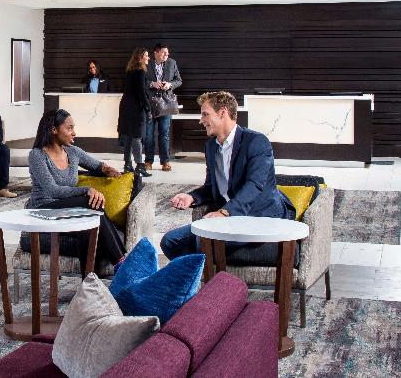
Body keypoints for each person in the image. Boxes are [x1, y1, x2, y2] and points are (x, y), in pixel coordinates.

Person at [160, 91, 296, 260]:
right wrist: (191, 197)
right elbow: (211, 187)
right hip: (230, 219)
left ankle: (208, 275)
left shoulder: (256, 142)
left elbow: (254, 186)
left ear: (222, 112)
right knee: (170, 241)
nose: (201, 120)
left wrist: (225, 212)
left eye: (205, 114)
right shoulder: (211, 146)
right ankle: (196, 275)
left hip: (260, 215)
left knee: (204, 242)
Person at [28, 108, 127, 277]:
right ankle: (122, 261)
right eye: (69, 128)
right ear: (54, 130)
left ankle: (89, 284)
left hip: (66, 210)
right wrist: (87, 190)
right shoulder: (37, 155)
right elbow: (52, 190)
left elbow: (97, 165)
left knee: (89, 229)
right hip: (43, 208)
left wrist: (106, 169)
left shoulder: (73, 152)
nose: (74, 133)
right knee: (88, 202)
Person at [143, 43, 182, 172]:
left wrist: (169, 85)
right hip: (149, 104)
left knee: (164, 134)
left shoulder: (172, 63)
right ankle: (148, 161)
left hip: (166, 104)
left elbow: (179, 80)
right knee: (148, 134)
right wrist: (152, 84)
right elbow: (141, 81)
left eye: (167, 53)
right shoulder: (146, 63)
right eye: (164, 52)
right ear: (156, 53)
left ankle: (165, 161)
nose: (167, 55)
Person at [117, 48, 152, 177]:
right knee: (137, 136)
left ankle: (127, 165)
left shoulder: (129, 70)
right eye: (146, 56)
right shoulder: (141, 71)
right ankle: (139, 166)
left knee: (127, 136)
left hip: (125, 106)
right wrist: (148, 108)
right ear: (140, 57)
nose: (148, 58)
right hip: (136, 108)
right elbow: (141, 92)